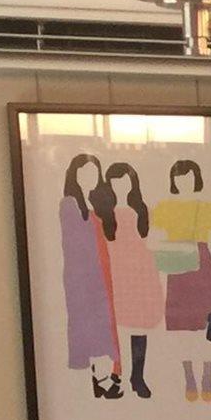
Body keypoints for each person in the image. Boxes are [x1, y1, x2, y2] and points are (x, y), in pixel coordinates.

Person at [92, 161, 161, 398]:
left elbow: (149, 242)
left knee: (139, 326)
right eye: (116, 183)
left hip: (141, 273)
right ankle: (117, 373)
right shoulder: (104, 215)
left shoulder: (142, 210)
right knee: (118, 326)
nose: (121, 187)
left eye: (125, 183)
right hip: (117, 272)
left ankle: (137, 376)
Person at [55, 152, 120, 399]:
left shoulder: (96, 207)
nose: (90, 178)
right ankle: (99, 378)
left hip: (101, 273)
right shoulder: (70, 204)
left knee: (103, 326)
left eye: (95, 173)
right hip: (84, 277)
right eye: (85, 173)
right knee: (90, 326)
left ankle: (102, 376)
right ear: (75, 175)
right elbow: (75, 246)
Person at [155, 158, 211, 403]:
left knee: (206, 325)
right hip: (177, 267)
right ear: (173, 181)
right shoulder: (163, 207)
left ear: (196, 179)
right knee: (182, 327)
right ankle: (189, 375)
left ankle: (208, 374)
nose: (184, 183)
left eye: (189, 178)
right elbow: (156, 239)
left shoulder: (208, 207)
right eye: (179, 179)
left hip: (203, 266)